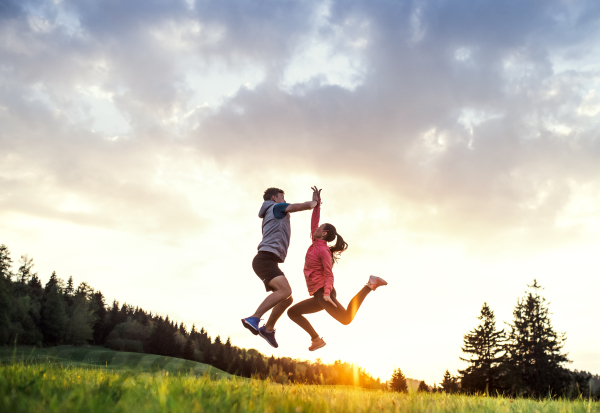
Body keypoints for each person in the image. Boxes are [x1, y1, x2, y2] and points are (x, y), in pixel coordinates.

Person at [287, 187, 388, 351]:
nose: (316, 228)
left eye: (320, 228)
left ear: (324, 233)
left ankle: (370, 285)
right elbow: (314, 221)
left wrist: (327, 294)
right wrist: (317, 202)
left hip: (324, 294)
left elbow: (329, 274)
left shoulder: (323, 250)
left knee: (347, 319)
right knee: (292, 313)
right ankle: (316, 340)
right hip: (319, 295)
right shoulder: (315, 241)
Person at [241, 187, 320, 348]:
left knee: (287, 299)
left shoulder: (272, 212)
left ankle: (268, 329)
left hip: (268, 260)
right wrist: (315, 202)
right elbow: (302, 206)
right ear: (274, 198)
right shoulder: (276, 207)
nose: (284, 200)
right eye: (282, 197)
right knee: (285, 291)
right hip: (265, 259)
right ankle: (254, 318)